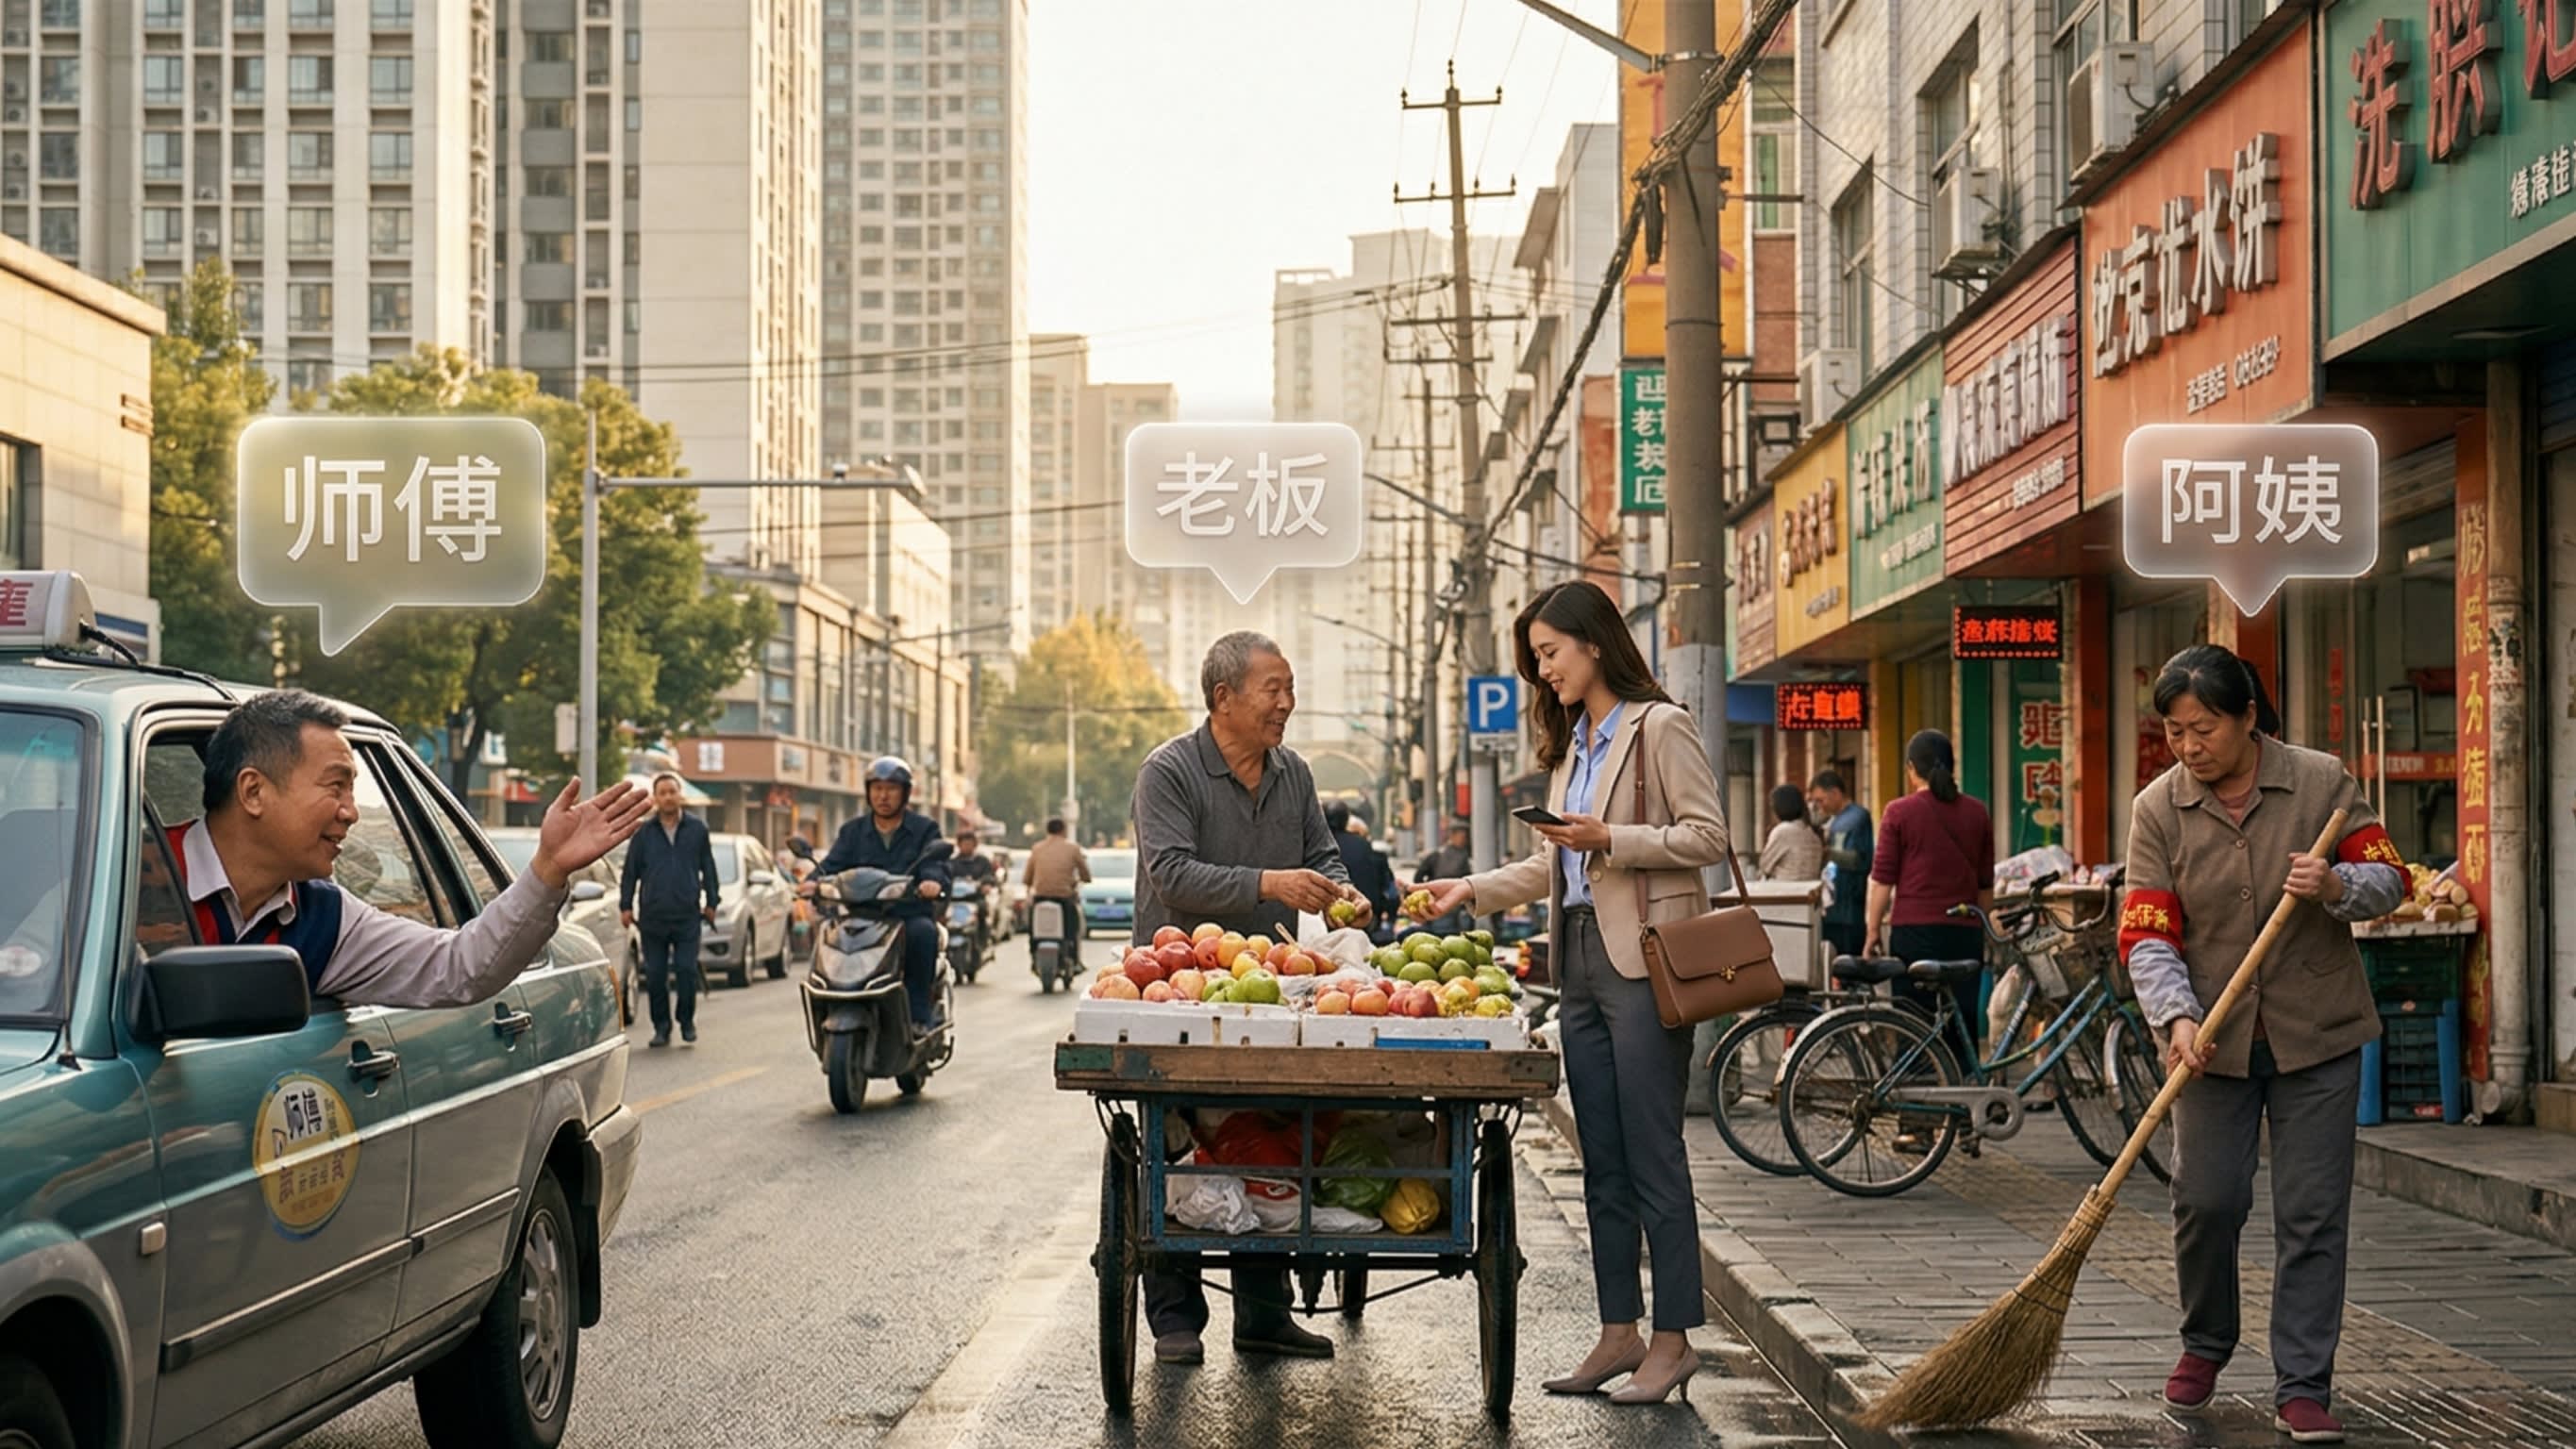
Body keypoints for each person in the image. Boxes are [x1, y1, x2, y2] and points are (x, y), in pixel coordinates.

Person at [1414, 579, 1727, 1406]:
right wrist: (1466, 891)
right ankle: (1618, 1332)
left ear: (1594, 643)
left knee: (1655, 1154)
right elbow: (1554, 863)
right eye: (1537, 659)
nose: (1543, 670)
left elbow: (1707, 836)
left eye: (1550, 653)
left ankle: (1673, 1341)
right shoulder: (1575, 746)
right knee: (1603, 1162)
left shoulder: (1659, 727)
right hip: (1579, 963)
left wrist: (1610, 839)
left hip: (1646, 961)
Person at [2121, 644, 2404, 1445]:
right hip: (2211, 1040)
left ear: (2248, 717)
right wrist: (2176, 1018)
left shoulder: (2320, 781)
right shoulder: (2157, 809)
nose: (2188, 747)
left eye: (2202, 728)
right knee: (2206, 1199)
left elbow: (2391, 877)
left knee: (2312, 1215)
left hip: (2318, 1034)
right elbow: (2146, 933)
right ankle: (2206, 1341)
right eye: (2174, 732)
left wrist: (2339, 886)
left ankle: (2303, 1384)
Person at [1131, 631, 1375, 1366]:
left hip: (1277, 988)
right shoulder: (1169, 772)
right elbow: (1172, 874)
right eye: (1272, 689)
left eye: (1290, 688)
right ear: (1223, 698)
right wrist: (1271, 883)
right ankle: (1176, 1314)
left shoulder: (1293, 773)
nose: (1286, 704)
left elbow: (1322, 855)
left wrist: (1344, 894)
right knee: (1173, 1139)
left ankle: (1264, 1313)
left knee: (1266, 1127)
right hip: (1180, 988)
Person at [169, 690, 648, 1009]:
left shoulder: (325, 919)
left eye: (352, 791)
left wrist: (547, 868)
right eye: (335, 787)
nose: (351, 813)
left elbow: (459, 967)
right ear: (254, 792)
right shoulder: (128, 877)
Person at [1863, 730, 1995, 1060]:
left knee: (1914, 1021)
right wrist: (1984, 929)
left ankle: (1918, 1100)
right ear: (1952, 766)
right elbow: (1985, 885)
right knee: (1960, 1022)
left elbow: (1882, 880)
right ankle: (1962, 1100)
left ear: (1911, 769)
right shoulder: (1977, 813)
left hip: (1914, 933)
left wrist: (1873, 930)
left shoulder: (1898, 812)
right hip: (1964, 933)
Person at [816, 757, 952, 1028]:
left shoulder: (924, 829)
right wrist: (811, 881)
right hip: (861, 916)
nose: (883, 796)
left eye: (891, 789)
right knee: (828, 933)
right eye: (877, 789)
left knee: (923, 934)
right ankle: (827, 1005)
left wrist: (931, 883)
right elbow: (831, 864)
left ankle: (918, 1017)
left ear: (905, 793)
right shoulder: (853, 831)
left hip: (907, 916)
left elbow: (935, 864)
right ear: (868, 792)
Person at [619, 774, 722, 1047]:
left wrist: (712, 902)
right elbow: (630, 872)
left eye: (672, 792)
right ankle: (661, 1027)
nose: (667, 797)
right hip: (653, 916)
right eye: (662, 792)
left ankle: (686, 1021)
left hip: (687, 914)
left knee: (687, 970)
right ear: (655, 798)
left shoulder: (697, 829)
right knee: (654, 976)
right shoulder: (643, 833)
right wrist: (626, 905)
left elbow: (708, 868)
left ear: (680, 795)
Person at [1807, 770, 1873, 959]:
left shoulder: (1857, 818)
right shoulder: (1834, 821)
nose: (1819, 806)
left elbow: (1860, 859)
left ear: (1835, 793)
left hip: (1849, 904)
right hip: (1833, 904)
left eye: (1821, 800)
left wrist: (1828, 853)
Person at [1326, 801, 1400, 942]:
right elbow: (1390, 892)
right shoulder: (1363, 845)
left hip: (1331, 922)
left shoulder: (1316, 848)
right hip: (1364, 917)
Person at [1023, 817, 1090, 966]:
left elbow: (1027, 877)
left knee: (1033, 928)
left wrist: (1029, 888)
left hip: (1040, 897)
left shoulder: (1037, 848)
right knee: (1072, 928)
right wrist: (1082, 879)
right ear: (1063, 830)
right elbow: (1085, 874)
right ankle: (1074, 958)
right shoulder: (1073, 849)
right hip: (1064, 898)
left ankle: (1034, 956)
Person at [1756, 783, 1826, 881]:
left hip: (1784, 892)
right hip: (1807, 894)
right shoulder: (1813, 834)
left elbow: (1764, 865)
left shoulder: (1783, 831)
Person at [1413, 820, 1473, 932]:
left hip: (1455, 906)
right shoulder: (1438, 855)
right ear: (1452, 835)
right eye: (1462, 836)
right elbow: (1419, 876)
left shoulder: (1463, 855)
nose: (1464, 840)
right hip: (1442, 905)